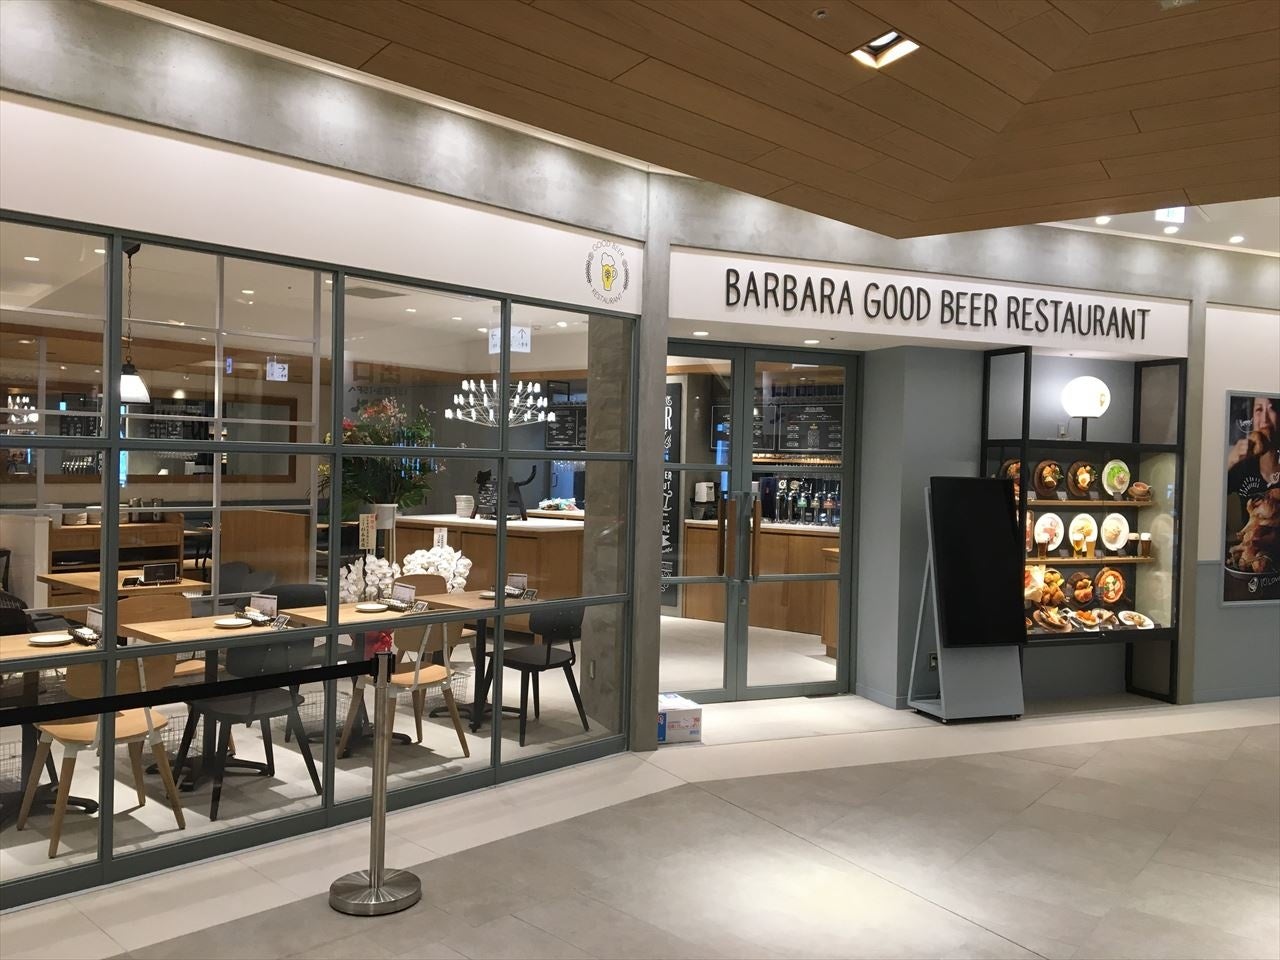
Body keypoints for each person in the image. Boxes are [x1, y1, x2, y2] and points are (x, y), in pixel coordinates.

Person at [1227, 396, 1280, 496]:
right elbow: (1212, 492)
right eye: (1259, 409)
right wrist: (1230, 460)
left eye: (1272, 408)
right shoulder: (1243, 467)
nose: (1264, 419)